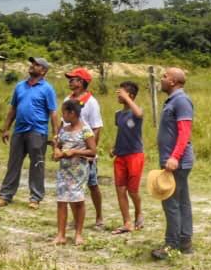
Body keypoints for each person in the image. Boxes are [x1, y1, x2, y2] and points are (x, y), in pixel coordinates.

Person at [0, 57, 59, 209]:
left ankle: (35, 198)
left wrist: (56, 134)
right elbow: (13, 109)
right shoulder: (19, 86)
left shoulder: (47, 88)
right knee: (13, 164)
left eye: (36, 65)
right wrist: (6, 128)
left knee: (37, 164)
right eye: (32, 64)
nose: (32, 66)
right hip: (19, 130)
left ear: (43, 71)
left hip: (38, 131)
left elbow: (53, 113)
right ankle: (5, 196)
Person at [152, 67, 195, 259]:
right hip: (175, 161)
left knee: (171, 202)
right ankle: (184, 241)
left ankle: (172, 244)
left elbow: (185, 132)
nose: (161, 79)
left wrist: (174, 157)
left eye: (164, 76)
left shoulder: (181, 101)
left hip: (176, 162)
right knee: (182, 202)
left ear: (173, 82)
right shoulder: (173, 101)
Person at [63, 67, 105, 228]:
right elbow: (64, 122)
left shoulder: (91, 102)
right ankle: (76, 218)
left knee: (92, 184)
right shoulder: (68, 99)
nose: (70, 81)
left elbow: (96, 127)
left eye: (72, 79)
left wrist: (91, 153)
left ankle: (99, 217)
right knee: (73, 185)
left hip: (85, 151)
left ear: (81, 82)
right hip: (70, 149)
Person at [52, 99, 97, 245]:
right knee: (62, 201)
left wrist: (74, 151)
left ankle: (78, 233)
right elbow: (58, 145)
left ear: (72, 113)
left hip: (79, 171)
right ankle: (61, 234)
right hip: (64, 170)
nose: (62, 116)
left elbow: (92, 151)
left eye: (64, 113)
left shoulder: (86, 130)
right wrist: (57, 152)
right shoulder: (64, 130)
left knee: (78, 201)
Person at [110, 81, 145, 235]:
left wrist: (128, 99)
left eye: (121, 93)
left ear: (130, 95)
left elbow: (139, 114)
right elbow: (121, 133)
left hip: (135, 155)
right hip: (121, 156)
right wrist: (114, 148)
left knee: (133, 191)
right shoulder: (118, 114)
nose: (118, 95)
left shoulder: (136, 112)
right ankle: (127, 222)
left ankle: (139, 212)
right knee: (120, 189)